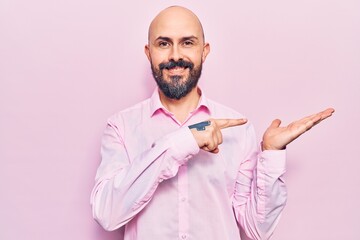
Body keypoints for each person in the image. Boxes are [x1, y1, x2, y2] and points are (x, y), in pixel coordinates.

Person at [91, 6, 334, 240]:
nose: (175, 55)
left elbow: (257, 229)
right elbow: (107, 214)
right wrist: (183, 141)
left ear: (204, 51)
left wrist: (272, 153)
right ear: (148, 52)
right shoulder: (121, 127)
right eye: (164, 43)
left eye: (188, 42)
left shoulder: (239, 129)